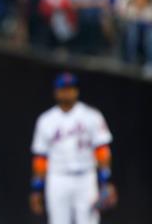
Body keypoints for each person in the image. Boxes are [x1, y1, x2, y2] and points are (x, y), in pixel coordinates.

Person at [29, 73, 118, 224]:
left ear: (77, 91)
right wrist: (37, 189)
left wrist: (106, 181)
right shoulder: (46, 120)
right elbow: (40, 158)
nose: (68, 92)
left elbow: (102, 151)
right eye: (64, 88)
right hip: (57, 178)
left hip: (86, 178)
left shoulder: (92, 116)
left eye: (71, 88)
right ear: (56, 92)